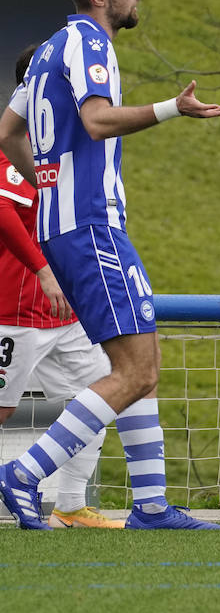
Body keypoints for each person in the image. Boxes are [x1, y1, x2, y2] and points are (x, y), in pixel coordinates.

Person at [0, 0, 220, 530]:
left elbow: (8, 133)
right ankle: (23, 473)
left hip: (71, 225)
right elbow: (99, 119)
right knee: (136, 371)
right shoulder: (89, 41)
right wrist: (173, 109)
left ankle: (151, 504)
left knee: (140, 359)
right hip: (90, 227)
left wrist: (45, 186)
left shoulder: (51, 45)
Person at [0, 45, 121, 528]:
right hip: (15, 312)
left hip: (67, 315)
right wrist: (44, 271)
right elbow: (4, 210)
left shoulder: (69, 145)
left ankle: (70, 506)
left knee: (102, 395)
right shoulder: (17, 145)